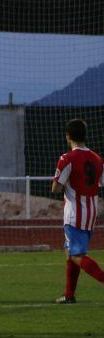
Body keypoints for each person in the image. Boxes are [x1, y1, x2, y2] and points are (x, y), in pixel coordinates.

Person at [52, 119, 104, 304]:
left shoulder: (67, 159)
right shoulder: (98, 159)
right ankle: (69, 295)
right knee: (69, 252)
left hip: (74, 214)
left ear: (68, 136)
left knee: (76, 255)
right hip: (91, 214)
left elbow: (55, 189)